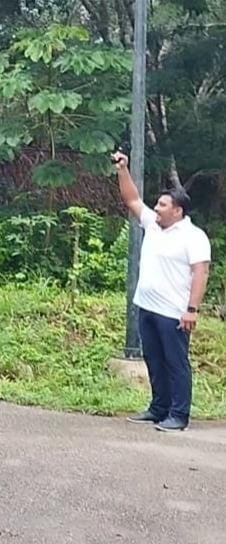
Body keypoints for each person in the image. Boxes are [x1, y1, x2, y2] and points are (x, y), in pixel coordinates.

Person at [114, 152, 211, 432]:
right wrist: (123, 170)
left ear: (178, 211)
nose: (156, 208)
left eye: (162, 205)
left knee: (175, 363)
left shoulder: (194, 237)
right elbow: (132, 199)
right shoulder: (154, 226)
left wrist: (192, 310)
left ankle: (179, 415)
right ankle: (158, 409)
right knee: (154, 360)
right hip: (147, 307)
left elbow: (200, 273)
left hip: (174, 313)